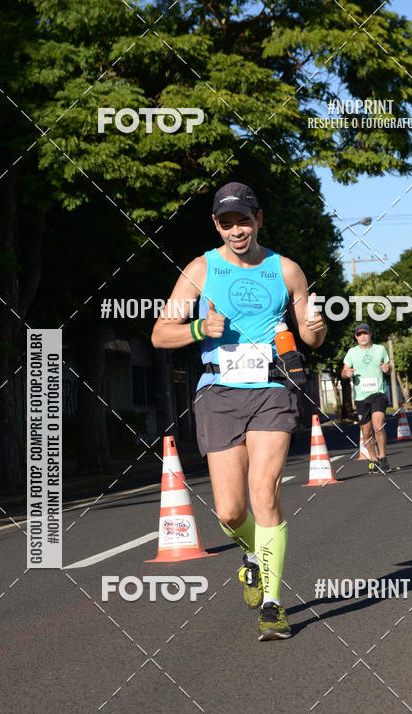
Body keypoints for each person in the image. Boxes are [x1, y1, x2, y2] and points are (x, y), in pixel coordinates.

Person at [151, 182, 326, 640]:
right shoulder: (200, 270)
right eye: (227, 223)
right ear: (216, 225)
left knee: (264, 493)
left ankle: (273, 605)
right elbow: (160, 334)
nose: (236, 230)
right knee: (229, 512)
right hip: (219, 393)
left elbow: (310, 337)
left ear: (258, 219)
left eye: (243, 220)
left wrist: (316, 327)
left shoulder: (286, 270)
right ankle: (252, 553)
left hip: (273, 388)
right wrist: (198, 328)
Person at [341, 323, 392, 473]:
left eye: (365, 333)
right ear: (356, 337)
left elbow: (389, 367)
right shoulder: (352, 352)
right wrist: (346, 373)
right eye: (359, 334)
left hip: (378, 393)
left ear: (370, 334)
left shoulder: (380, 349)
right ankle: (374, 460)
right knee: (366, 431)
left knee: (378, 425)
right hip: (361, 397)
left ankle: (383, 457)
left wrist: (387, 368)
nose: (362, 336)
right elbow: (344, 372)